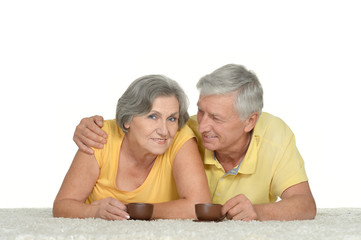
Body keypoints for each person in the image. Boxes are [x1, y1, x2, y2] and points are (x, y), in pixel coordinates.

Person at [73, 64, 317, 221]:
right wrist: (90, 127)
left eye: (216, 118)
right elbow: (140, 122)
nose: (202, 126)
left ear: (249, 121)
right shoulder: (181, 129)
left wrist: (258, 211)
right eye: (201, 112)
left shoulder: (275, 136)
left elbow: (305, 204)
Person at [53, 75, 211, 220]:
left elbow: (199, 206)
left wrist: (134, 211)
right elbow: (62, 206)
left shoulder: (180, 137)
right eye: (152, 116)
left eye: (171, 118)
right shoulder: (100, 136)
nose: (164, 131)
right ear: (127, 119)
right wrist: (95, 212)